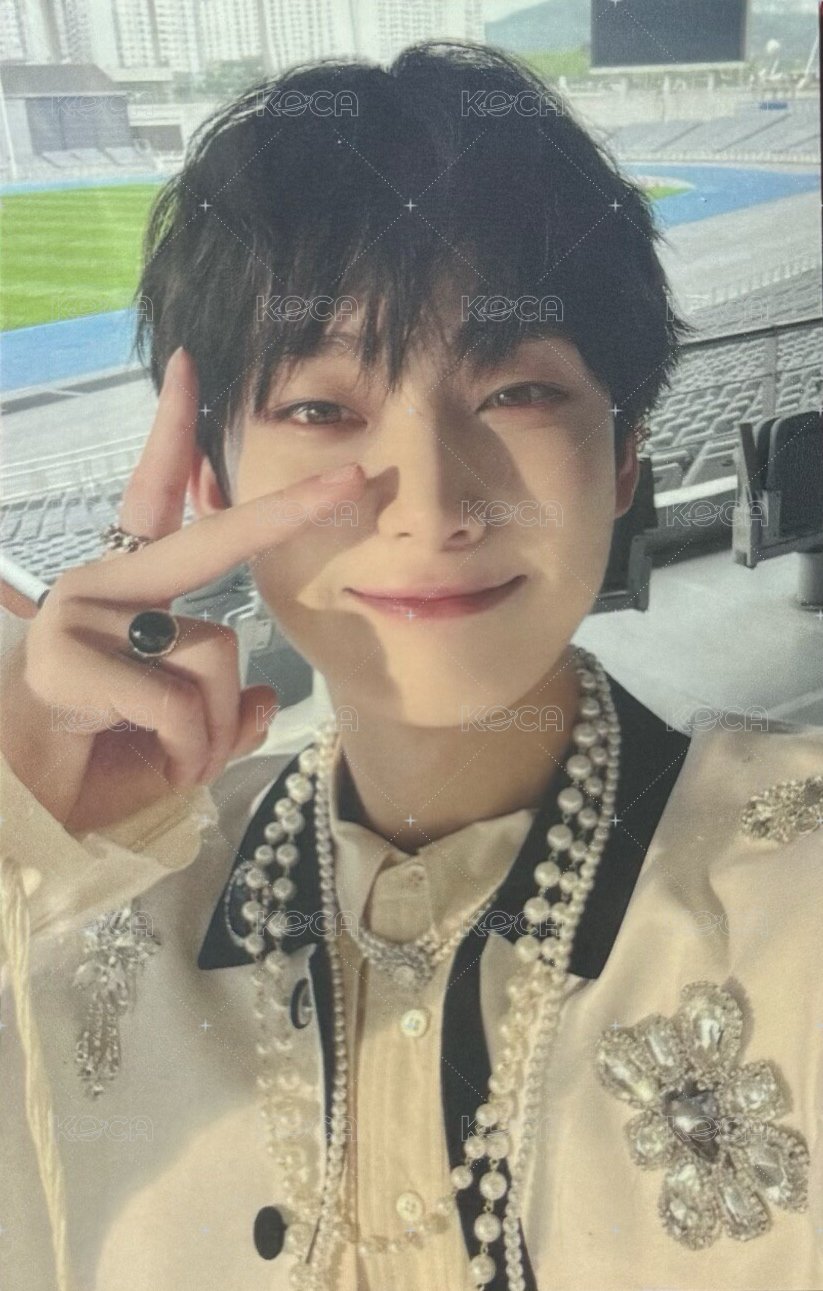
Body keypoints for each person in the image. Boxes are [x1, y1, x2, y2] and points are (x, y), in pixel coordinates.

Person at [1, 40, 822, 1291]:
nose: (433, 505)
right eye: (321, 409)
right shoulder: (75, 907)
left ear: (623, 457)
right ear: (211, 479)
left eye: (517, 391)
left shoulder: (787, 890)